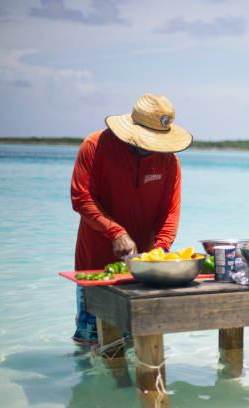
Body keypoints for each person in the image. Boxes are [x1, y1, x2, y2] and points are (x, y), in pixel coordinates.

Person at [70, 93, 192, 344]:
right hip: (94, 268)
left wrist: (157, 256)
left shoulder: (170, 161)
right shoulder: (95, 145)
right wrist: (115, 231)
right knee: (90, 349)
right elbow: (81, 197)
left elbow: (170, 214)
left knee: (136, 346)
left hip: (141, 276)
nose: (153, 146)